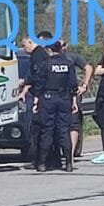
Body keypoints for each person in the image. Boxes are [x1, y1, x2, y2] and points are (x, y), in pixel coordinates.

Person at [32, 41, 76, 172]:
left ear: (49, 50)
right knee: (64, 130)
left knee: (47, 130)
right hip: (64, 98)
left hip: (48, 98)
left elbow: (40, 83)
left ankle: (42, 163)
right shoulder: (68, 64)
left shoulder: (46, 64)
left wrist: (36, 99)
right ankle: (68, 163)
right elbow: (73, 84)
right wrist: (73, 101)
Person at [19, 33, 51, 169]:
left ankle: (39, 160)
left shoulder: (38, 55)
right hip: (44, 94)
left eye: (24, 45)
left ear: (31, 42)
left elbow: (38, 76)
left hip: (40, 95)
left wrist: (36, 94)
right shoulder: (41, 54)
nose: (24, 48)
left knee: (37, 129)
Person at [59, 40, 94, 160]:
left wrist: (84, 85)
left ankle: (70, 154)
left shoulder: (72, 57)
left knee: (73, 124)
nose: (61, 47)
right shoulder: (49, 58)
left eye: (63, 45)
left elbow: (88, 68)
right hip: (55, 95)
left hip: (72, 95)